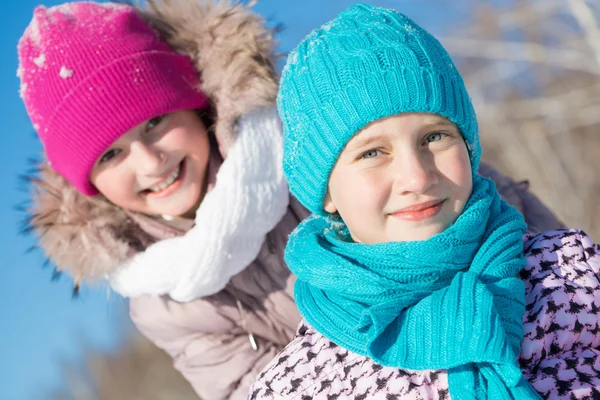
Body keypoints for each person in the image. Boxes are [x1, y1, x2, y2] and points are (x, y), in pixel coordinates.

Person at [17, 1, 565, 399]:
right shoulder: (162, 300)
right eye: (110, 155)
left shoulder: (303, 150)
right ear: (87, 185)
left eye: (156, 122)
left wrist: (555, 274)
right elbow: (240, 389)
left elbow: (474, 203)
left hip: (497, 324)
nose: (149, 161)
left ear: (197, 105)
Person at [250, 4, 600, 400]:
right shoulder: (298, 385)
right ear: (326, 193)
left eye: (434, 137)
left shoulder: (572, 270)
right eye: (371, 153)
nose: (417, 177)